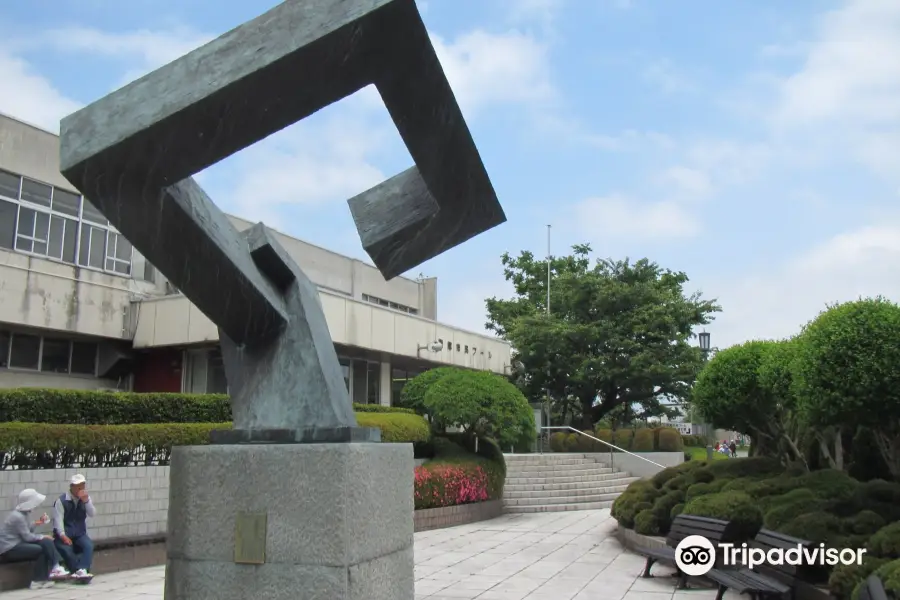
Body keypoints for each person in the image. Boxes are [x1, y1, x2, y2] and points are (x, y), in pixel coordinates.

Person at [0, 489, 70, 589]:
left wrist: (39, 522)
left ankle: (51, 570)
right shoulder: (18, 516)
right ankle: (43, 576)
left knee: (45, 544)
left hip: (18, 544)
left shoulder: (24, 514)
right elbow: (28, 537)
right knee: (41, 548)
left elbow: (27, 528)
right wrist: (42, 536)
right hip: (10, 548)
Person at [52, 474, 95, 580]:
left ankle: (82, 570)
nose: (80, 489)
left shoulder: (86, 499)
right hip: (65, 534)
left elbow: (92, 513)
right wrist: (63, 536)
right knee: (67, 550)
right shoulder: (61, 501)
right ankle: (78, 571)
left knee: (88, 546)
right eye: (77, 486)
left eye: (82, 486)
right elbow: (58, 521)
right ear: (71, 487)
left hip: (80, 533)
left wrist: (86, 502)